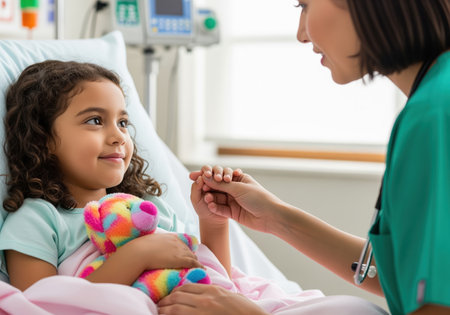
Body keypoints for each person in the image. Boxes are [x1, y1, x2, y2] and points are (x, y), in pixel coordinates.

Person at [157, 0, 450, 314]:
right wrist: (276, 218)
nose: (301, 34)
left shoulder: (433, 114)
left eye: (305, 5)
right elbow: (401, 274)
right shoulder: (434, 97)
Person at [0, 60, 210, 291]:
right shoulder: (38, 221)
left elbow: (215, 279)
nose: (119, 136)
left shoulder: (148, 208)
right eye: (95, 121)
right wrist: (137, 255)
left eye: (122, 123)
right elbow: (41, 305)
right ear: (43, 138)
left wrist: (213, 222)